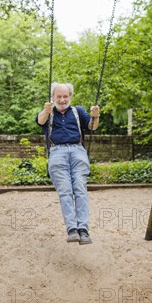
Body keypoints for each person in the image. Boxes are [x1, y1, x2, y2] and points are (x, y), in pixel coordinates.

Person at [36, 82, 100, 245]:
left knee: (79, 188)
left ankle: (83, 229)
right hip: (57, 151)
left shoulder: (78, 111)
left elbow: (92, 127)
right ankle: (72, 229)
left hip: (78, 150)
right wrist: (46, 110)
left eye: (65, 96)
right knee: (65, 190)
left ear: (70, 97)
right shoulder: (49, 112)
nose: (62, 100)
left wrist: (96, 115)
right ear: (53, 97)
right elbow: (40, 121)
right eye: (59, 96)